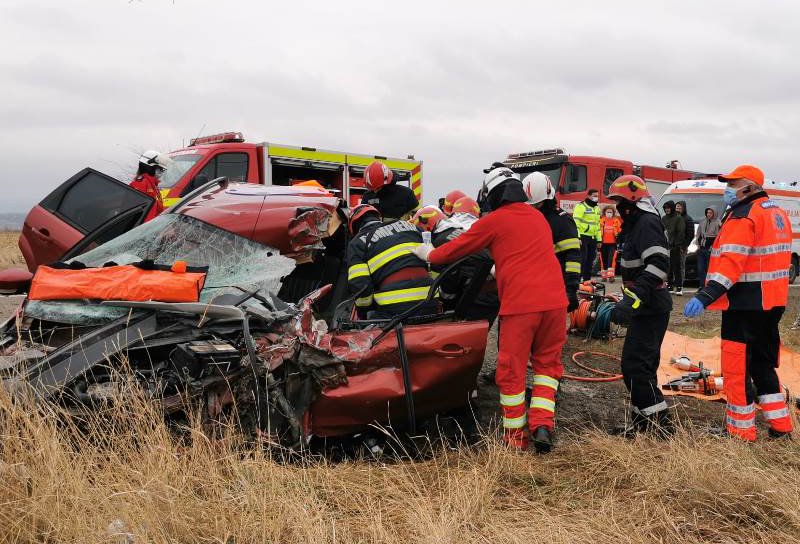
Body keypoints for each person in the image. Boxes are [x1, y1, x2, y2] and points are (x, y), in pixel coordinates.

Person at [415, 163, 567, 453]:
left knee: (511, 371)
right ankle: (543, 425)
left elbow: (457, 249)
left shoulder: (494, 220)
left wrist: (429, 254)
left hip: (522, 306)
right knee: (547, 368)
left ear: (493, 195)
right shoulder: (538, 219)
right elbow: (525, 255)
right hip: (555, 304)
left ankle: (515, 439)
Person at [684, 165, 793, 441]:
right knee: (762, 364)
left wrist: (704, 295)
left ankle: (740, 431)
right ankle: (781, 427)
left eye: (733, 183)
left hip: (744, 304)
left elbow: (731, 264)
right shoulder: (776, 212)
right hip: (773, 302)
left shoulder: (744, 216)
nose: (728, 189)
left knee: (736, 368)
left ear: (750, 187)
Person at [608, 175, 673, 436]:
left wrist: (631, 300)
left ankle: (661, 428)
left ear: (631, 201)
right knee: (638, 367)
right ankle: (643, 425)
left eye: (619, 201)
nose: (617, 207)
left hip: (651, 307)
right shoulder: (637, 224)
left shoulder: (646, 223)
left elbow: (658, 264)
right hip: (646, 307)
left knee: (636, 367)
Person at [346, 204, 435, 320]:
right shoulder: (413, 228)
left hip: (393, 309)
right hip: (429, 301)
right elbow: (434, 260)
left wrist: (364, 314)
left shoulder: (357, 243)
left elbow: (359, 284)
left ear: (354, 226)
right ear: (378, 218)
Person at [412, 205, 499, 322]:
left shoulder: (440, 241)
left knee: (467, 334)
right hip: (493, 288)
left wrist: (446, 304)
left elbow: (449, 279)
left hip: (479, 292)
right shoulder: (459, 231)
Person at [523, 171, 581, 312]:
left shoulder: (562, 221)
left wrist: (571, 289)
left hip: (554, 285)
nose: (530, 207)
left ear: (545, 200)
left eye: (535, 204)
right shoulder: (527, 217)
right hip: (530, 285)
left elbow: (573, 257)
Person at [130, 150, 172, 222]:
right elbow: (138, 216)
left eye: (162, 170)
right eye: (160, 169)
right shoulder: (140, 184)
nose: (161, 172)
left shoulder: (153, 186)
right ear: (150, 168)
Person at [573, 189, 602, 281]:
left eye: (597, 196)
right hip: (583, 236)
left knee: (590, 261)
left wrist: (599, 239)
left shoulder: (596, 208)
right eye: (594, 195)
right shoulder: (580, 206)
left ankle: (587, 281)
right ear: (589, 196)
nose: (596, 197)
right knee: (582, 260)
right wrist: (578, 237)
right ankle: (578, 281)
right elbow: (576, 222)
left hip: (592, 238)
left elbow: (597, 225)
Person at [661, 200, 685, 295]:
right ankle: (669, 285)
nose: (667, 210)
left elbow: (681, 232)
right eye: (665, 208)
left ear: (671, 208)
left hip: (675, 246)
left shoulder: (678, 218)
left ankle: (679, 287)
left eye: (668, 208)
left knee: (676, 267)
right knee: (668, 267)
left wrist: (676, 244)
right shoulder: (663, 218)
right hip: (665, 246)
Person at [694, 207, 720, 285]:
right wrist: (697, 244)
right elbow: (698, 233)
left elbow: (718, 237)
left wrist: (713, 247)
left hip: (710, 249)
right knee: (701, 269)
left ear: (714, 213)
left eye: (710, 213)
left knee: (710, 269)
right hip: (701, 248)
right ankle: (702, 286)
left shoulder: (718, 223)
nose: (708, 214)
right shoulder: (702, 221)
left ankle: (709, 285)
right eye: (707, 212)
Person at [599, 206, 622, 282]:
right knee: (603, 260)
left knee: (611, 260)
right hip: (603, 244)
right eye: (607, 212)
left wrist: (619, 238)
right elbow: (598, 231)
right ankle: (604, 277)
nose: (609, 213)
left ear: (613, 213)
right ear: (604, 213)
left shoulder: (616, 221)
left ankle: (611, 276)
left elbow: (620, 231)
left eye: (610, 212)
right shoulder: (602, 221)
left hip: (612, 244)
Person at [676, 201, 694, 293]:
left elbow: (690, 235)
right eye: (677, 207)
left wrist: (684, 246)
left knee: (681, 266)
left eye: (680, 207)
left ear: (684, 208)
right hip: (672, 247)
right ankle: (672, 285)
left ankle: (680, 286)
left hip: (682, 247)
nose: (678, 209)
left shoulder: (688, 219)